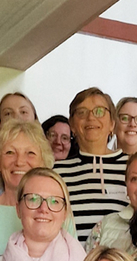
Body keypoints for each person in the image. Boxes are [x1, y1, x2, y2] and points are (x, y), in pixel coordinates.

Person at [54, 87, 129, 243]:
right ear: (72, 126)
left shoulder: (133, 167)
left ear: (112, 124)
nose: (91, 117)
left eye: (99, 111)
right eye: (82, 112)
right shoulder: (56, 172)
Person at [0, 120, 57, 261]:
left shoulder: (56, 211)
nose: (19, 161)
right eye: (10, 152)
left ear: (42, 162)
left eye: (30, 153)